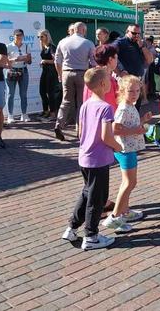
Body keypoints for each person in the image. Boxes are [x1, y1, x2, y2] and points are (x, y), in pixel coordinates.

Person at [61, 67, 122, 250]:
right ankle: (91, 236)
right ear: (103, 84)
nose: (112, 82)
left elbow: (80, 131)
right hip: (98, 159)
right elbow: (106, 136)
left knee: (87, 192)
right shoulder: (106, 108)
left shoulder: (86, 104)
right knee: (97, 198)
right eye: (109, 79)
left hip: (85, 156)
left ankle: (72, 227)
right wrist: (118, 146)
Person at [102, 75, 152, 233]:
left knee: (129, 182)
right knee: (130, 183)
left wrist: (142, 121)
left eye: (137, 90)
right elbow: (115, 129)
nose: (135, 94)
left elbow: (128, 126)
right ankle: (116, 216)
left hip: (127, 148)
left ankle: (124, 212)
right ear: (122, 91)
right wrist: (137, 130)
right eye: (131, 91)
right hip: (125, 149)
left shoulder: (130, 106)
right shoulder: (124, 107)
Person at [54, 22, 96, 141]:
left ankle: (59, 124)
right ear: (83, 30)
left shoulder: (63, 41)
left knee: (66, 101)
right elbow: (93, 62)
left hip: (66, 72)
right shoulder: (88, 43)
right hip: (82, 73)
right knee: (81, 103)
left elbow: (57, 60)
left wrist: (60, 74)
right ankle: (80, 129)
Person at [114, 25, 154, 111]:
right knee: (125, 108)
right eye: (134, 33)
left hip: (138, 80)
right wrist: (119, 72)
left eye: (139, 33)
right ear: (127, 32)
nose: (136, 35)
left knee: (136, 108)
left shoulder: (141, 43)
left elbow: (150, 59)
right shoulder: (120, 42)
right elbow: (110, 57)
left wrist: (142, 46)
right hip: (126, 81)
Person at [6, 29, 32, 123]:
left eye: (20, 35)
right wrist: (15, 59)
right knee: (10, 94)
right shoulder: (8, 46)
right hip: (12, 71)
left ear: (23, 36)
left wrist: (26, 58)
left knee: (23, 95)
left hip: (23, 71)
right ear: (13, 36)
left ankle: (24, 114)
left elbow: (29, 61)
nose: (19, 37)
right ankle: (10, 115)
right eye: (17, 35)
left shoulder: (26, 46)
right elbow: (5, 61)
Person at [83, 44, 119, 111]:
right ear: (110, 59)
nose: (117, 61)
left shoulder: (92, 76)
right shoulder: (108, 80)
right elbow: (111, 105)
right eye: (116, 58)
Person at [38, 29, 61, 120]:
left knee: (50, 93)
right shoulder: (44, 47)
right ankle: (45, 111)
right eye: (38, 37)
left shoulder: (52, 47)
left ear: (47, 37)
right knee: (42, 91)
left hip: (52, 72)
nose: (40, 38)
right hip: (45, 71)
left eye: (42, 36)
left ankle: (53, 113)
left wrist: (45, 61)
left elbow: (56, 61)